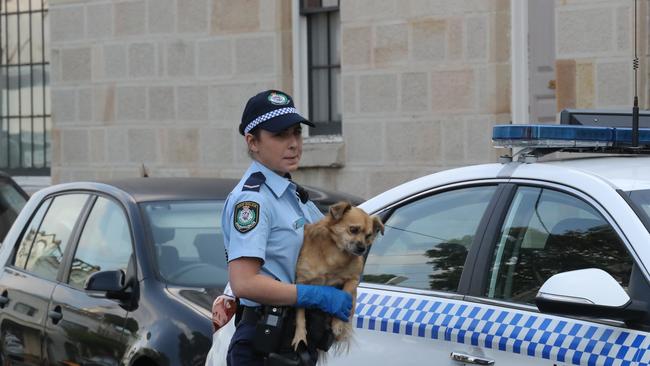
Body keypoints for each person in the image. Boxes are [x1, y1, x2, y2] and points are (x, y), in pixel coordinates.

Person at [222, 90, 352, 366]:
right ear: (252, 142)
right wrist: (316, 295)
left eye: (296, 132)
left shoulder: (291, 193)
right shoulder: (253, 200)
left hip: (292, 337)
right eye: (280, 135)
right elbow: (244, 282)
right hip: (264, 340)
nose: (293, 144)